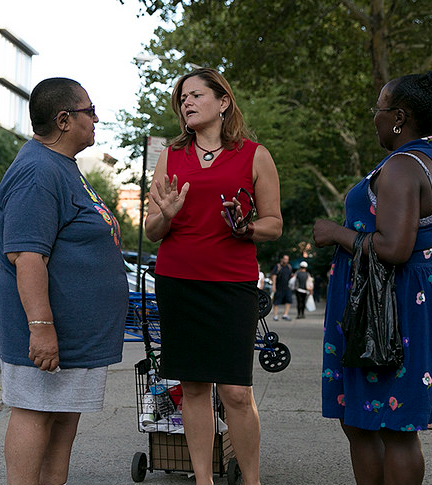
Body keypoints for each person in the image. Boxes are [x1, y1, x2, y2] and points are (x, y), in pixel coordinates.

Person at [312, 71, 432, 485]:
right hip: (412, 301)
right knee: (371, 423)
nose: (374, 119)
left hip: (386, 306)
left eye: (378, 110)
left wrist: (334, 233)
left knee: (390, 429)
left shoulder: (401, 167)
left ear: (399, 117)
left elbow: (394, 247)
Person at [0, 78, 129, 485]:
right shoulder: (37, 171)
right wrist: (41, 328)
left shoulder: (61, 166)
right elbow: (27, 256)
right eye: (89, 110)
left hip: (74, 335)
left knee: (62, 419)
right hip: (47, 331)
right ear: (64, 120)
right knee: (35, 410)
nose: (96, 118)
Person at [144, 67, 282, 485]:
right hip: (179, 281)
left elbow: (274, 224)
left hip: (232, 284)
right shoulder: (170, 154)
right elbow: (152, 230)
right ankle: (203, 480)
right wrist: (165, 217)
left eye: (195, 95)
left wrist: (247, 228)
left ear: (223, 102)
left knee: (236, 391)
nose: (186, 102)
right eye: (182, 97)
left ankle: (252, 480)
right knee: (195, 387)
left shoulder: (255, 154)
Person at [271, 254, 293, 321]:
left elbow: (291, 275)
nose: (286, 260)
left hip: (287, 287)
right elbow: (274, 276)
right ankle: (275, 315)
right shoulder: (278, 266)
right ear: (282, 259)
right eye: (285, 259)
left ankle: (285, 315)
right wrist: (273, 286)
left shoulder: (289, 267)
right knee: (276, 302)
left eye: (287, 259)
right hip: (279, 287)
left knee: (289, 301)